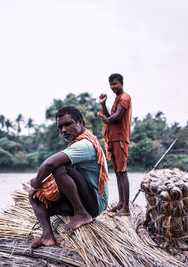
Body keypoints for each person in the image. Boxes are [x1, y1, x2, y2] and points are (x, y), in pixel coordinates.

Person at [29, 106, 108, 248]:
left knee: (59, 168)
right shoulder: (76, 143)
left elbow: (50, 163)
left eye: (67, 124)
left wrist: (36, 182)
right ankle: (47, 236)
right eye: (60, 127)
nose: (63, 130)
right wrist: (39, 188)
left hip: (94, 203)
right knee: (36, 197)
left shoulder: (85, 144)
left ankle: (81, 213)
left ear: (80, 122)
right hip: (85, 198)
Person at [98, 73, 132, 216]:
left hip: (120, 139)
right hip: (113, 139)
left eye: (115, 84)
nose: (113, 87)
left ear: (122, 83)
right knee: (118, 172)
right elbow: (110, 116)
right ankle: (121, 203)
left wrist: (106, 119)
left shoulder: (125, 97)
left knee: (122, 172)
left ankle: (126, 208)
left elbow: (116, 117)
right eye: (111, 85)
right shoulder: (117, 99)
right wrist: (103, 104)